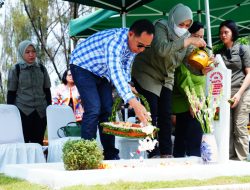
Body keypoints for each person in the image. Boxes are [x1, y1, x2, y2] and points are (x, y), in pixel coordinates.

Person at [70, 19, 154, 160]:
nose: (141, 50)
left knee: (107, 111)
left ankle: (110, 155)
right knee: (93, 108)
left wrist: (128, 84)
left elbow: (125, 66)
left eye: (146, 47)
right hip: (82, 66)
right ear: (131, 34)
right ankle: (87, 155)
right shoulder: (114, 42)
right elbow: (115, 72)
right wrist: (134, 103)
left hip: (101, 72)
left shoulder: (134, 45)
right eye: (140, 45)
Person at [131, 4, 207, 158]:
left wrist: (202, 68)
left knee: (166, 113)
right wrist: (187, 41)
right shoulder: (161, 26)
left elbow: (188, 62)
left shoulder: (186, 36)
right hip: (147, 73)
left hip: (167, 77)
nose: (184, 28)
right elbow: (162, 49)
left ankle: (166, 153)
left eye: (187, 25)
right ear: (173, 19)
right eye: (181, 24)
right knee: (151, 112)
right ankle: (152, 152)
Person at [216, 20, 250, 161]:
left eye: (226, 32)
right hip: (224, 94)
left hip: (242, 91)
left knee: (239, 126)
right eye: (221, 33)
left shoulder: (243, 49)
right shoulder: (218, 52)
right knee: (225, 127)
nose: (223, 35)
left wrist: (239, 94)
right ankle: (228, 158)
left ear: (233, 33)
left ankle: (242, 161)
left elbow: (249, 74)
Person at [7, 40, 52, 146]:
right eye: (27, 52)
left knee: (38, 143)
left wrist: (49, 109)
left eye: (33, 51)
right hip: (23, 111)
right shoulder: (16, 69)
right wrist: (10, 114)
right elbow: (11, 92)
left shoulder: (41, 68)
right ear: (22, 53)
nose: (31, 55)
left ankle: (38, 162)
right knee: (23, 143)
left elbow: (47, 90)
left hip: (41, 112)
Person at [172, 21, 206, 157]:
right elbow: (183, 77)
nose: (200, 40)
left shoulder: (199, 52)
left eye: (202, 37)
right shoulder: (183, 51)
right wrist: (192, 101)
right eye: (197, 36)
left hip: (196, 102)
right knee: (189, 144)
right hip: (187, 104)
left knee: (192, 142)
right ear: (189, 36)